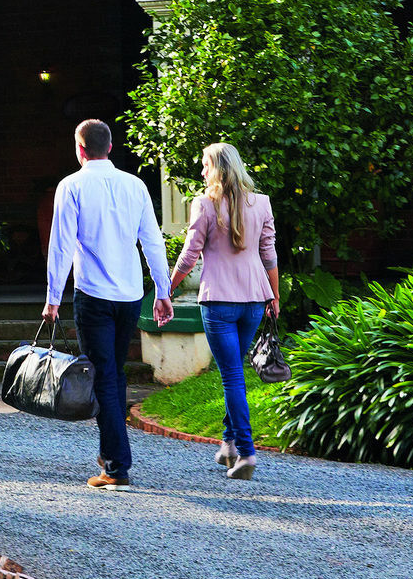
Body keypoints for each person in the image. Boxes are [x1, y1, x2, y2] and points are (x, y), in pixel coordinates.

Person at [41, 119, 175, 491]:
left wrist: (53, 299)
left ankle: (116, 468)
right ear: (110, 147)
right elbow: (152, 240)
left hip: (94, 295)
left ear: (80, 149)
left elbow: (61, 245)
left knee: (104, 377)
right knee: (112, 373)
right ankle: (110, 456)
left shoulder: (72, 186)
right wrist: (162, 291)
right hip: (130, 294)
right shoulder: (136, 186)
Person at [165, 142, 280, 481]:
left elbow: (189, 255)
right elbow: (269, 255)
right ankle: (229, 443)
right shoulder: (261, 203)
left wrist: (167, 289)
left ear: (216, 168)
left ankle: (246, 453)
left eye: (204, 165)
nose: (201, 171)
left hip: (218, 301)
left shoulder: (204, 204)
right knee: (234, 371)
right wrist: (274, 295)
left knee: (231, 375)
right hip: (255, 299)